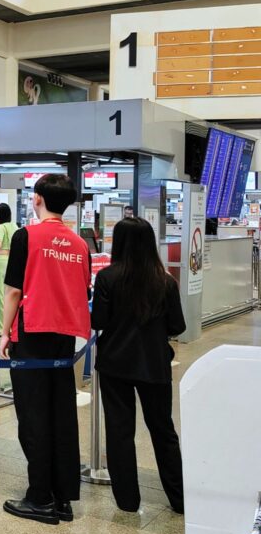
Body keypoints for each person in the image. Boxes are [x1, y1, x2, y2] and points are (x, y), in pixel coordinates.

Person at [0, 174, 91, 526]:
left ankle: (39, 498)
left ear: (37, 199)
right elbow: (82, 287)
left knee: (33, 416)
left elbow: (13, 292)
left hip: (32, 332)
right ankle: (62, 497)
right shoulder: (80, 243)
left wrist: (5, 333)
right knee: (61, 414)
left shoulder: (27, 236)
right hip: (65, 337)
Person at [92, 217, 185, 515]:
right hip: (155, 364)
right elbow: (178, 326)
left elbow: (99, 322)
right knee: (163, 430)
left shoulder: (107, 277)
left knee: (120, 431)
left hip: (115, 364)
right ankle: (180, 499)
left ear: (118, 242)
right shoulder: (165, 280)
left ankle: (128, 501)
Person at [0, 203, 19, 333]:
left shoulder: (0, 227)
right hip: (12, 261)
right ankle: (10, 327)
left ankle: (0, 328)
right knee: (9, 295)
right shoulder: (14, 226)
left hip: (0, 262)